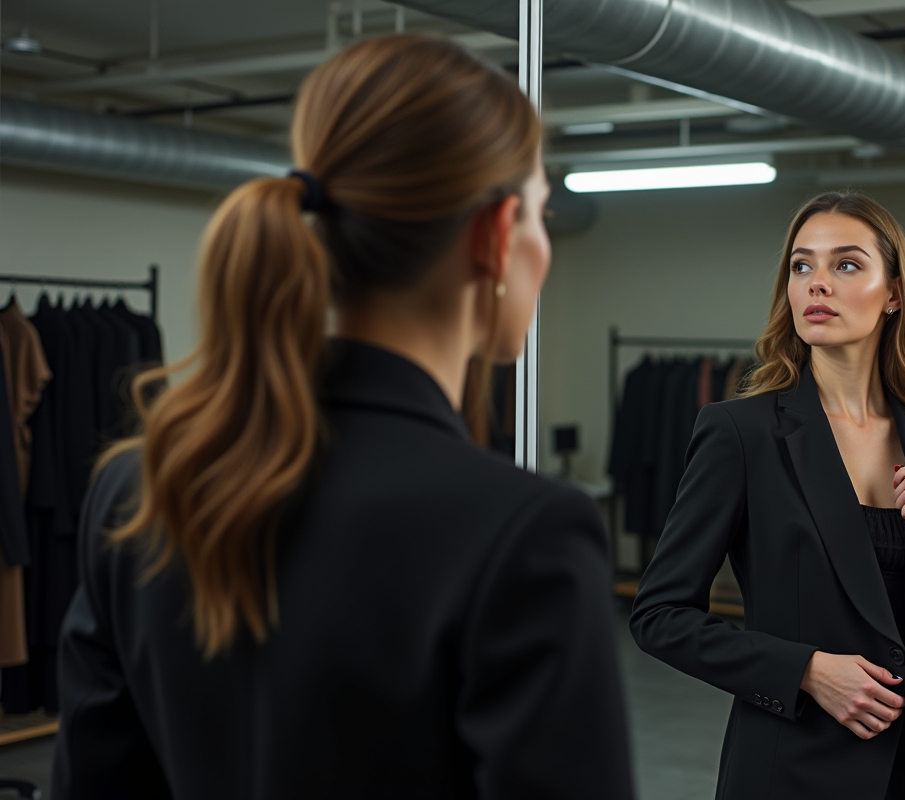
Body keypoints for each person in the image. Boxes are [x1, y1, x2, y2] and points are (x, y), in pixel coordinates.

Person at [53, 35, 633, 800]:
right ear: (496, 237)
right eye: (541, 213)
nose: (543, 243)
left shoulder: (138, 489)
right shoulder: (524, 536)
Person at [630, 191, 905, 799]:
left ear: (893, 294)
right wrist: (803, 671)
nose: (817, 283)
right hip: (795, 771)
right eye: (802, 265)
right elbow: (659, 617)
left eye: (846, 264)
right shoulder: (741, 434)